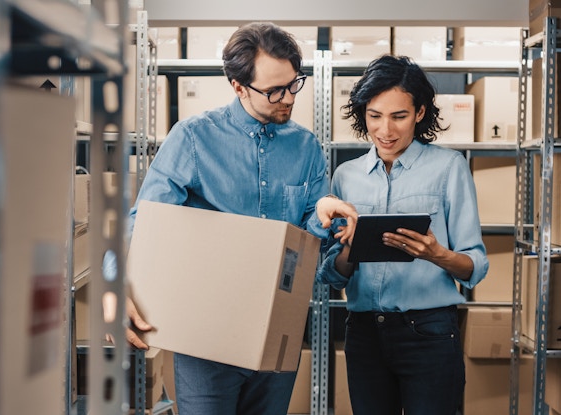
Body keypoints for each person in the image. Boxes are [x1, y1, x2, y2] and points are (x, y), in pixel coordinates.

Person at [122, 22, 351, 415]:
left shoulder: (307, 148)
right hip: (206, 338)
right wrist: (119, 283)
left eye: (293, 84)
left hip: (277, 332)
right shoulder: (193, 138)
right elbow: (144, 223)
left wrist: (325, 221)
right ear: (238, 85)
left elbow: (313, 250)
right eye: (274, 91)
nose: (288, 99)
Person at [309, 55, 489, 415]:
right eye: (374, 116)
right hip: (363, 333)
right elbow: (329, 274)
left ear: (420, 113)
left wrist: (436, 253)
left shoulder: (449, 168)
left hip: (429, 332)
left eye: (399, 116)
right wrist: (348, 250)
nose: (385, 130)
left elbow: (477, 266)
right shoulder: (346, 176)